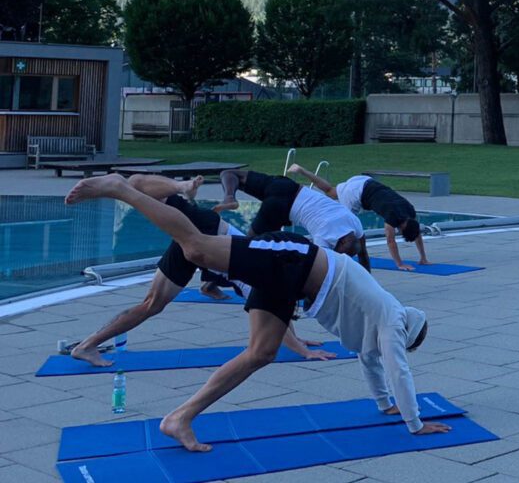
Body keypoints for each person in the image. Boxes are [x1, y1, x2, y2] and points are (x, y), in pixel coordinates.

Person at [65, 174, 449, 451]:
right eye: (404, 345)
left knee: (261, 353)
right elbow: (397, 368)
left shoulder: (377, 328)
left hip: (293, 285)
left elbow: (374, 363)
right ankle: (120, 188)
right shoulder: (393, 320)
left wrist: (385, 404)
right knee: (196, 248)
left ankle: (179, 418)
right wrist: (414, 423)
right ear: (408, 332)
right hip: (294, 259)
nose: (396, 347)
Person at [67, 175, 329, 368]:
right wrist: (303, 350)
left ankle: (87, 345)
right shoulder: (268, 285)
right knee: (138, 188)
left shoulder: (277, 280)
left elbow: (279, 319)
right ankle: (130, 188)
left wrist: (298, 341)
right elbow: (275, 325)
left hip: (210, 238)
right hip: (210, 234)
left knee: (151, 304)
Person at [214, 168, 367, 267]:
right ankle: (215, 276)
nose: (336, 252)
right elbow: (318, 270)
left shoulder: (355, 223)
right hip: (279, 209)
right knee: (248, 246)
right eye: (340, 250)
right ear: (344, 241)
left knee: (229, 174)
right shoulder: (324, 237)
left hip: (288, 187)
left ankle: (229, 197)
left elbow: (363, 253)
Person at [288, 165, 427, 271]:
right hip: (355, 194)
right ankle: (335, 262)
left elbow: (417, 233)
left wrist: (423, 258)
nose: (399, 232)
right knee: (346, 231)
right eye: (401, 233)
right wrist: (399, 264)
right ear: (402, 229)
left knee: (330, 191)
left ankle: (302, 171)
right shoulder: (393, 217)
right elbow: (391, 241)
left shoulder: (410, 210)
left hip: (365, 181)